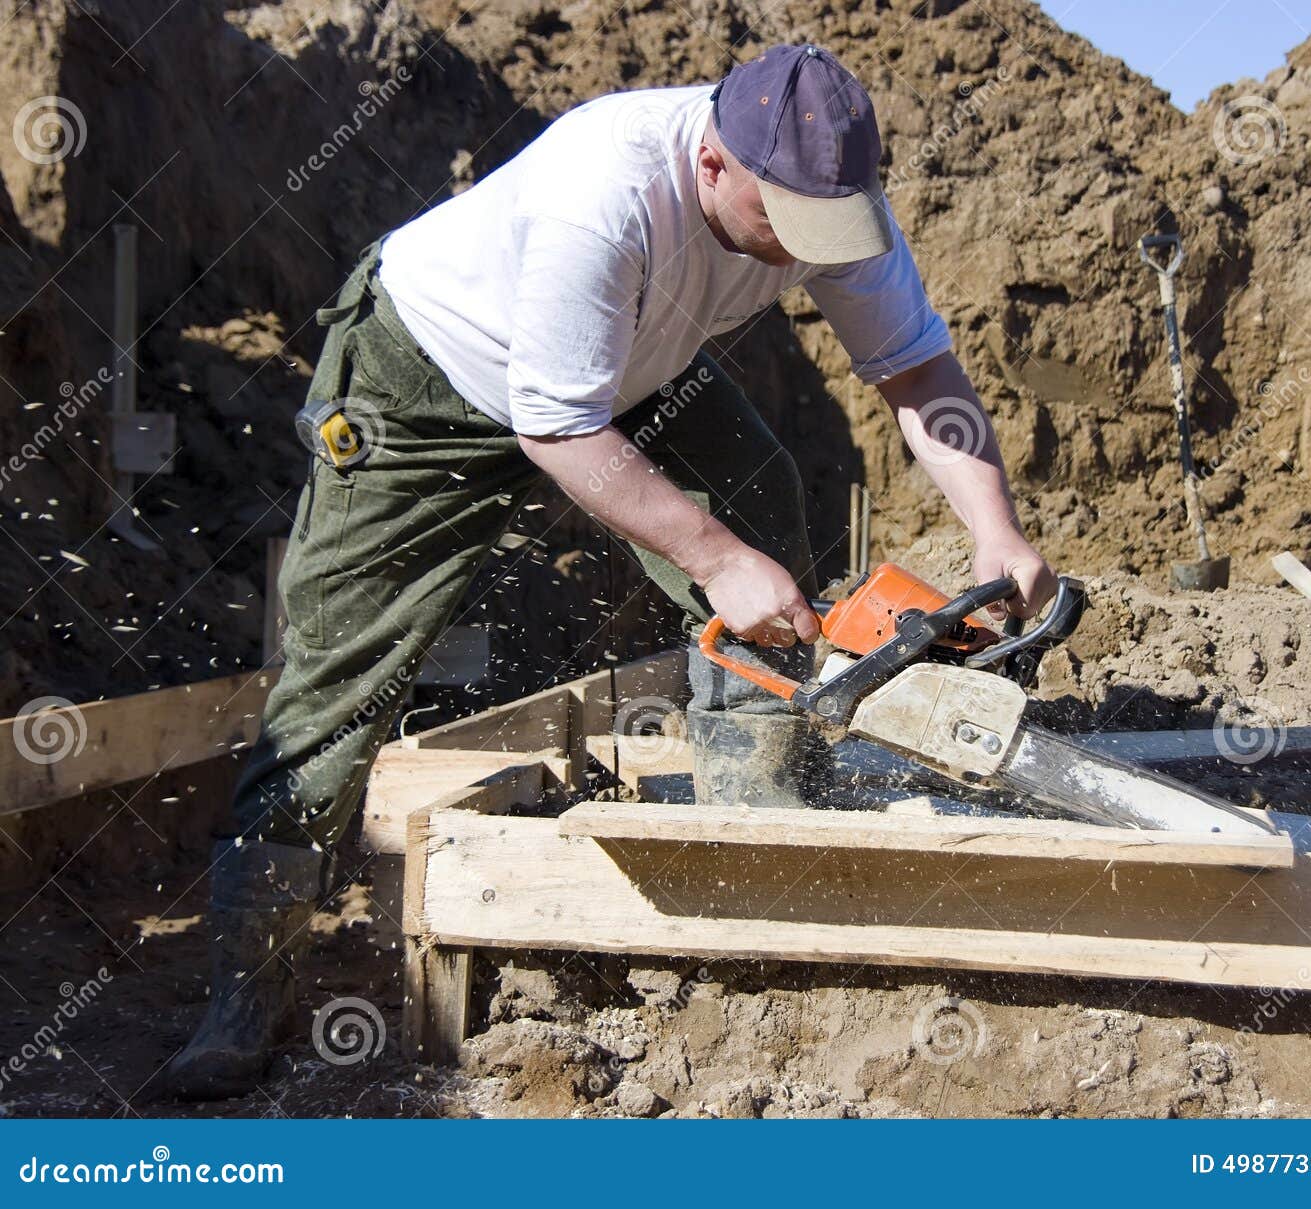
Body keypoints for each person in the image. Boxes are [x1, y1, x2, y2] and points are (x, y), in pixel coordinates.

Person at [163, 43, 1056, 1100]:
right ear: (714, 162)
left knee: (760, 497)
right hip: (430, 381)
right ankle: (245, 986)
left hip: (627, 361)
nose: (800, 257)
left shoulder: (823, 197)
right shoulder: (605, 193)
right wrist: (714, 561)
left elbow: (915, 368)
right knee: (337, 673)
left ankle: (763, 837)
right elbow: (553, 424)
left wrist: (996, 530)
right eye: (784, 228)